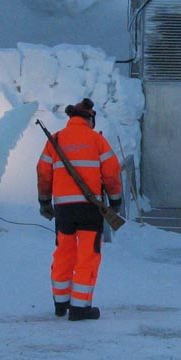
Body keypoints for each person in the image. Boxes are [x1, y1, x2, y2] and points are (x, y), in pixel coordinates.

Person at [37, 98, 123, 320]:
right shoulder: (96, 140)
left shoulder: (55, 140)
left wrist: (45, 201)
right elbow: (112, 171)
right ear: (90, 119)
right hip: (89, 208)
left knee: (64, 252)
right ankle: (80, 307)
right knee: (88, 254)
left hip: (63, 209)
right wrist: (114, 201)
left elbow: (43, 171)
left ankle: (61, 302)